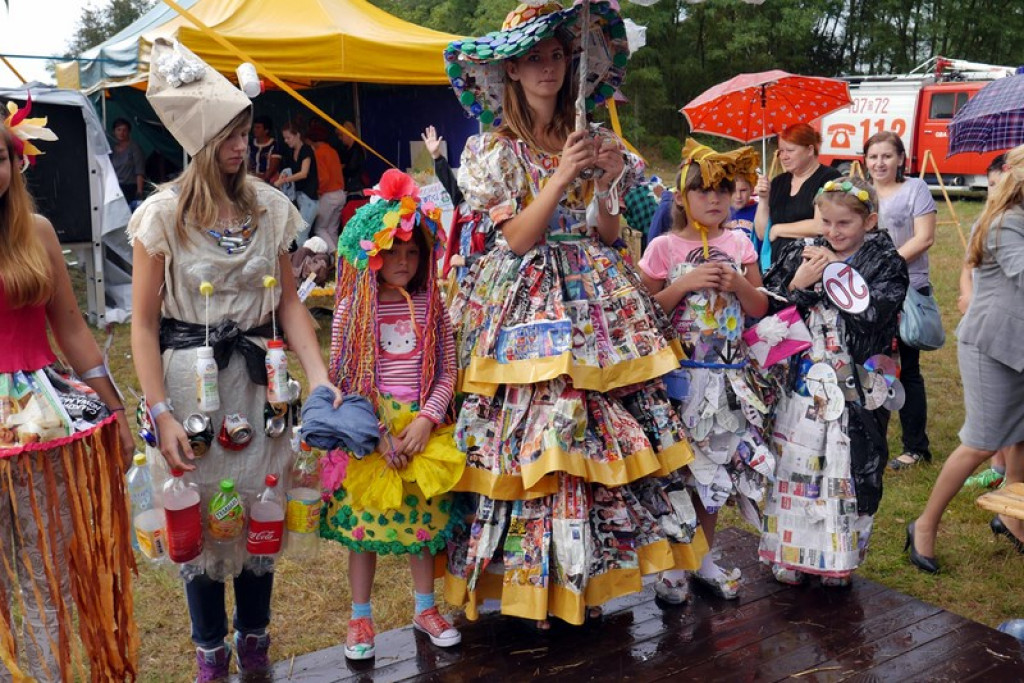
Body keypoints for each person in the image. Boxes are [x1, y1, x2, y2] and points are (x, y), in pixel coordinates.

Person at [441, 1, 707, 628]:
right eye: (533, 57)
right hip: (523, 301)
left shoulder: (591, 133)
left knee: (594, 430)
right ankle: (527, 585)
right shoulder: (493, 150)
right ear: (509, 69)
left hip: (594, 301)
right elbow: (517, 238)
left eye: (556, 55)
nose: (547, 68)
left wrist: (610, 184)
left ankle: (583, 579)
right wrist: (561, 176)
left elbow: (609, 232)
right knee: (529, 435)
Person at [129, 40, 342, 680]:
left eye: (243, 133)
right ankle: (209, 652)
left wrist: (322, 376)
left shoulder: (272, 207)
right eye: (226, 137)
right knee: (194, 521)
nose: (239, 148)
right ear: (197, 142)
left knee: (259, 510)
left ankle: (254, 642)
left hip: (261, 385)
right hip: (189, 391)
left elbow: (292, 308)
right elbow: (141, 327)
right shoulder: (161, 217)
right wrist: (162, 413)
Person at [0, 101, 136, 681]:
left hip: (40, 424)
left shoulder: (37, 233)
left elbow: (74, 329)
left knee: (42, 572)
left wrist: (118, 410)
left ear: (13, 161)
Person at [323, 169, 464, 660]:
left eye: (413, 253)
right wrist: (377, 434)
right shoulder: (350, 310)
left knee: (422, 527)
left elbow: (447, 369)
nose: (404, 261)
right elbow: (343, 381)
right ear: (372, 254)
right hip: (371, 434)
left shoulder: (433, 306)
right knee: (364, 530)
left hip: (422, 433)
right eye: (393, 252)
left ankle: (425, 608)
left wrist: (427, 419)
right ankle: (361, 620)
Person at [638, 139, 771, 601]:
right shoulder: (663, 247)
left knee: (713, 477)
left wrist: (737, 281)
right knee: (678, 478)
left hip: (725, 380)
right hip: (678, 381)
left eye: (722, 190)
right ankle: (674, 567)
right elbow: (643, 313)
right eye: (702, 191)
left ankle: (704, 559)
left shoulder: (740, 243)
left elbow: (760, 307)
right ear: (681, 197)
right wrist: (686, 282)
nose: (713, 199)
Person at [758, 177, 908, 587]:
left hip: (857, 384)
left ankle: (838, 557)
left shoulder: (885, 261)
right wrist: (799, 284)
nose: (833, 232)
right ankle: (791, 551)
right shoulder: (801, 253)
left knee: (851, 466)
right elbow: (769, 309)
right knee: (798, 462)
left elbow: (875, 313)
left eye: (844, 224)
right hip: (805, 381)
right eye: (825, 221)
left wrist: (833, 281)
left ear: (869, 221)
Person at [908, 144, 1024, 573]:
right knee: (981, 441)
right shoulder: (1004, 223)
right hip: (991, 346)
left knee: (1021, 439)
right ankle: (924, 524)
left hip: (1021, 346)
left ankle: (1012, 520)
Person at [862, 131, 938, 471]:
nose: (879, 162)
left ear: (900, 159)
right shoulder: (859, 193)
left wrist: (884, 266)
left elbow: (925, 238)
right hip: (865, 291)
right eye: (873, 156)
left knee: (906, 369)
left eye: (886, 156)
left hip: (906, 289)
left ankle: (916, 447)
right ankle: (869, 439)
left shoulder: (915, 189)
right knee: (870, 366)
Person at [960, 154, 1009, 489]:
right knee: (997, 405)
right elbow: (968, 266)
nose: (993, 191)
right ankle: (1000, 467)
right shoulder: (985, 222)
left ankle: (1010, 475)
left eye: (999, 185)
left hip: (1005, 322)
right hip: (985, 323)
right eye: (989, 185)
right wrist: (967, 295)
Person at [754, 124, 841, 266]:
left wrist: (778, 229)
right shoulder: (778, 182)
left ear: (810, 150)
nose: (784, 157)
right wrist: (763, 200)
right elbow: (762, 233)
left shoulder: (829, 179)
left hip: (811, 265)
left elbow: (820, 225)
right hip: (775, 266)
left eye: (790, 150)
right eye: (781, 151)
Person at [420, 125, 494, 279]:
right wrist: (436, 155)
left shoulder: (494, 215)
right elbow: (448, 180)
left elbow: (494, 256)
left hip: (481, 283)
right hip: (460, 279)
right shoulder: (464, 205)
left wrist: (464, 261)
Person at [274, 120, 319, 243]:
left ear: (298, 135)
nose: (286, 140)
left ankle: (303, 261)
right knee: (299, 234)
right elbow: (289, 170)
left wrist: (284, 181)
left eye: (288, 137)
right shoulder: (292, 152)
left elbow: (304, 173)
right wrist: (284, 175)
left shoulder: (306, 150)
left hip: (309, 198)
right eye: (285, 138)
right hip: (300, 198)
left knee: (301, 234)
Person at [307, 119, 346, 249]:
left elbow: (324, 178)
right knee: (332, 230)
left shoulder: (318, 153)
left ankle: (334, 255)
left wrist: (318, 191)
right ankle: (338, 259)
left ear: (311, 140)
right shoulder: (332, 151)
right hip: (340, 193)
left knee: (319, 228)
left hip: (329, 195)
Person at [110, 117, 146, 206]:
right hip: (116, 189)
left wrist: (139, 192)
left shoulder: (134, 148)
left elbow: (139, 171)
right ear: (114, 132)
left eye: (124, 130)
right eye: (118, 130)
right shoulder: (111, 150)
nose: (121, 133)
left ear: (129, 132)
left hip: (130, 188)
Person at [725, 174, 760, 253]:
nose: (738, 196)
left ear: (752, 189)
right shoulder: (721, 213)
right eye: (733, 191)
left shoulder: (759, 210)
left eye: (743, 190)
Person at [247, 115, 281, 183]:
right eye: (254, 127)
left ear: (266, 130)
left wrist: (260, 178)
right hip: (249, 180)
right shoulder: (249, 144)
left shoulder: (274, 146)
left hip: (267, 183)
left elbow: (271, 171)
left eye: (258, 127)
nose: (255, 130)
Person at [336, 121, 366, 197]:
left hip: (355, 187)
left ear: (347, 133)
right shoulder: (346, 149)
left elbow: (352, 169)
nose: (340, 138)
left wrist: (342, 167)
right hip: (350, 186)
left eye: (341, 135)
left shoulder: (357, 149)